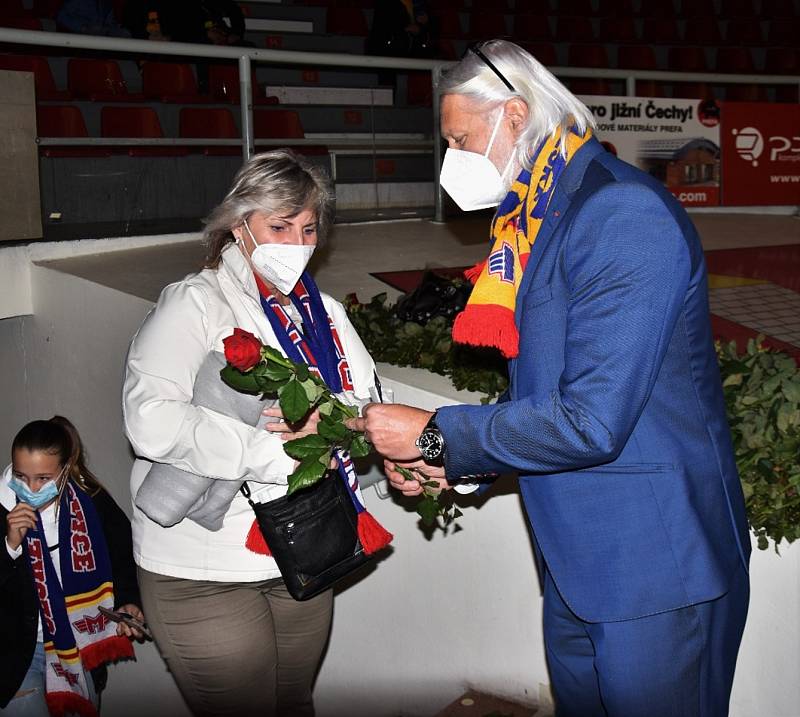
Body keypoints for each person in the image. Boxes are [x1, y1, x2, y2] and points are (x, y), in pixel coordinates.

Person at [350, 40, 751, 717]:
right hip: (580, 562)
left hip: (654, 568)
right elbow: (552, 389)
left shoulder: (620, 214)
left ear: (514, 113)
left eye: (461, 139)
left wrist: (439, 432)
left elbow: (592, 418)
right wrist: (459, 465)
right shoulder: (539, 216)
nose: (455, 161)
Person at [122, 149, 380, 717]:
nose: (297, 242)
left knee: (294, 704)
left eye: (309, 228)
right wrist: (265, 452)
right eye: (279, 226)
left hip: (302, 549)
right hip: (202, 566)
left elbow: (368, 405)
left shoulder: (325, 314)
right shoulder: (195, 302)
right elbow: (150, 420)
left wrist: (336, 424)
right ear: (239, 226)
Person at [1, 416, 143, 717]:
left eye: (42, 478)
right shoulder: (2, 505)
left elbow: (122, 556)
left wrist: (128, 602)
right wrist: (9, 546)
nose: (31, 487)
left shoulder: (91, 502)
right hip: (15, 655)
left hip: (80, 648)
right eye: (21, 476)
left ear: (65, 470)